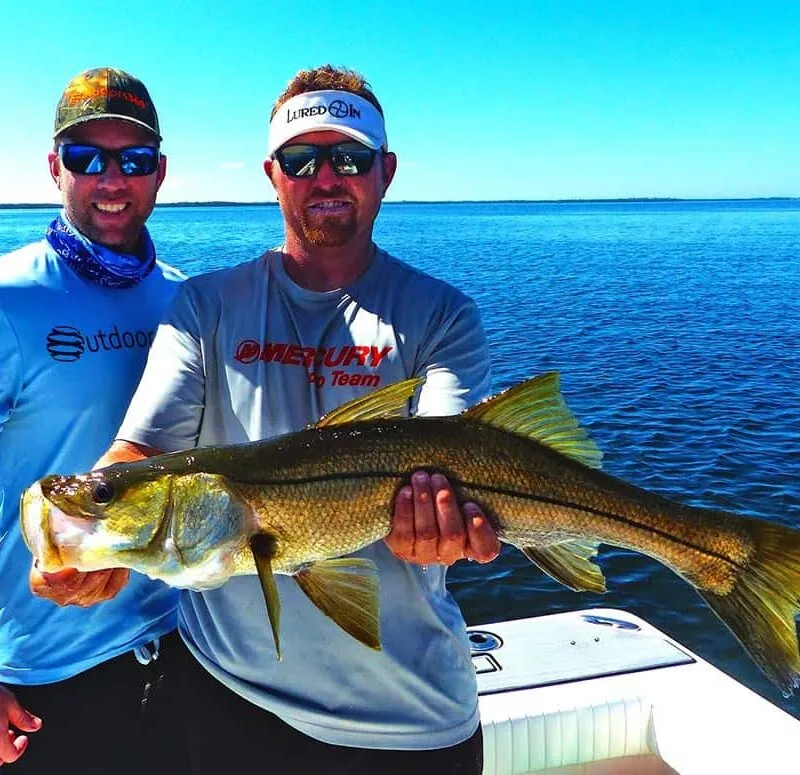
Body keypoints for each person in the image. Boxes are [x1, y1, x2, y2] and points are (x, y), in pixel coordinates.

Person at [65, 64, 501, 774]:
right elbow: (138, 452)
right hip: (223, 702)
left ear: (385, 171)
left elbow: (456, 468)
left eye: (350, 156)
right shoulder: (204, 307)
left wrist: (453, 529)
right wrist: (87, 530)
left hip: (411, 722)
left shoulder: (442, 318)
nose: (325, 176)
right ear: (273, 173)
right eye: (301, 160)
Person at [0, 67, 186, 773]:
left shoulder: (188, 301)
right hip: (44, 675)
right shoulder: (9, 297)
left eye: (133, 160)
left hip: (181, 651)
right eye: (87, 158)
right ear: (54, 167)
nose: (112, 178)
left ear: (159, 172)